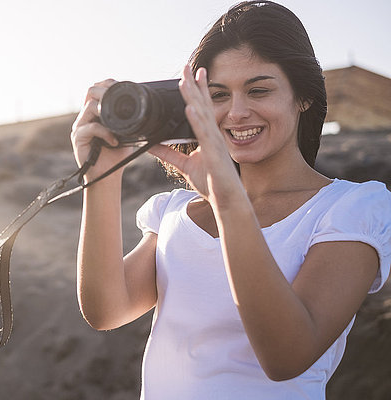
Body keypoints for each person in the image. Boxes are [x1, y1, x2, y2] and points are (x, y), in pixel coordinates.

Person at [70, 1, 391, 399]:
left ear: (303, 97)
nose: (237, 113)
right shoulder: (174, 211)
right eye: (217, 95)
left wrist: (228, 202)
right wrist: (101, 174)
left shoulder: (350, 209)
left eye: (258, 90)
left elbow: (287, 356)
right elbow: (105, 311)